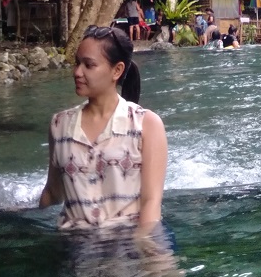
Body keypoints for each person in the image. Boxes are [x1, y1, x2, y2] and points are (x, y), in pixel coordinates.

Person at [39, 26, 167, 234]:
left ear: (117, 70)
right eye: (77, 63)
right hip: (75, 243)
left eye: (89, 65)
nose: (77, 72)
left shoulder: (146, 124)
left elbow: (151, 201)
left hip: (129, 237)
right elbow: (53, 191)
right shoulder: (59, 125)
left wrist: (145, 248)